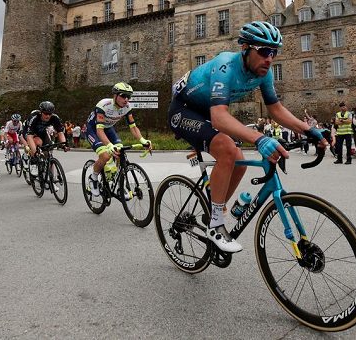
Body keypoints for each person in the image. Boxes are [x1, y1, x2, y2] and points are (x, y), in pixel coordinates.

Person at [168, 21, 326, 253]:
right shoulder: (225, 65)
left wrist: (309, 130)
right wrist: (260, 138)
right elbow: (220, 118)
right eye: (263, 51)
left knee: (238, 161)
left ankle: (213, 208)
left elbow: (275, 109)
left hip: (210, 112)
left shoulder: (264, 73)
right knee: (228, 150)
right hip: (184, 110)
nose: (269, 58)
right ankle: (215, 225)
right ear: (245, 49)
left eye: (274, 52)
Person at [85, 82, 152, 197]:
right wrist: (109, 145)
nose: (126, 99)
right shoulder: (103, 105)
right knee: (106, 155)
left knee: (120, 152)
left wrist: (142, 140)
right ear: (115, 95)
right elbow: (99, 130)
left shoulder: (127, 107)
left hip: (108, 128)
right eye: (123, 96)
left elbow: (133, 127)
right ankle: (93, 178)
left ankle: (119, 184)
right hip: (93, 129)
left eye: (129, 97)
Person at [26, 101, 68, 177]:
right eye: (45, 113)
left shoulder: (55, 117)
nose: (48, 116)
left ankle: (51, 178)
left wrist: (64, 145)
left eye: (50, 114)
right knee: (37, 142)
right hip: (32, 133)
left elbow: (60, 133)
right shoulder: (34, 118)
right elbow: (29, 137)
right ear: (41, 112)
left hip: (43, 133)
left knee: (48, 154)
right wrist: (35, 153)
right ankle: (34, 163)